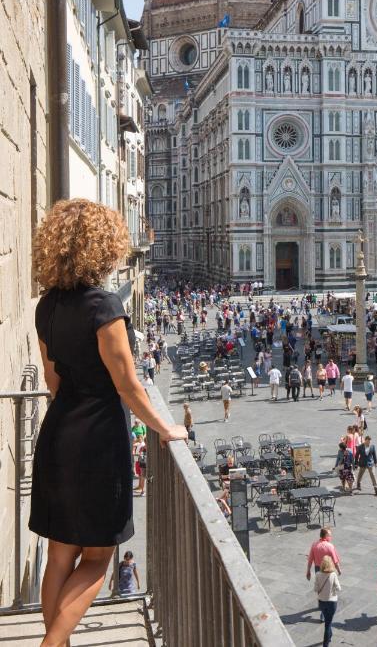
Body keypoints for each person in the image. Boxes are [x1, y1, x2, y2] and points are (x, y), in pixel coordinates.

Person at [29, 199, 187, 647]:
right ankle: (51, 645)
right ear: (101, 248)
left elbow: (52, 380)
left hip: (59, 433)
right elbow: (128, 386)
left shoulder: (47, 307)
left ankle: (55, 641)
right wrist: (164, 428)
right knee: (98, 558)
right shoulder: (104, 307)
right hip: (99, 440)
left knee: (60, 554)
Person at [314, 555, 341, 647]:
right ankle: (326, 644)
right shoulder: (333, 575)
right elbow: (338, 588)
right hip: (332, 602)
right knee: (328, 623)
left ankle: (329, 635)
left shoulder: (317, 574)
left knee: (328, 621)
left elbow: (315, 588)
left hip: (321, 602)